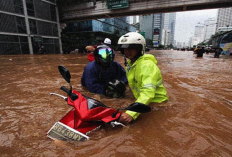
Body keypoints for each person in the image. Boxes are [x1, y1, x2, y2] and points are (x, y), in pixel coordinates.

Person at [117, 32, 168, 124]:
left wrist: (131, 113)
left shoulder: (146, 65)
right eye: (125, 48)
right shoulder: (130, 64)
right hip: (143, 101)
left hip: (155, 104)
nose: (127, 51)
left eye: (132, 48)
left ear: (139, 49)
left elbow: (148, 92)